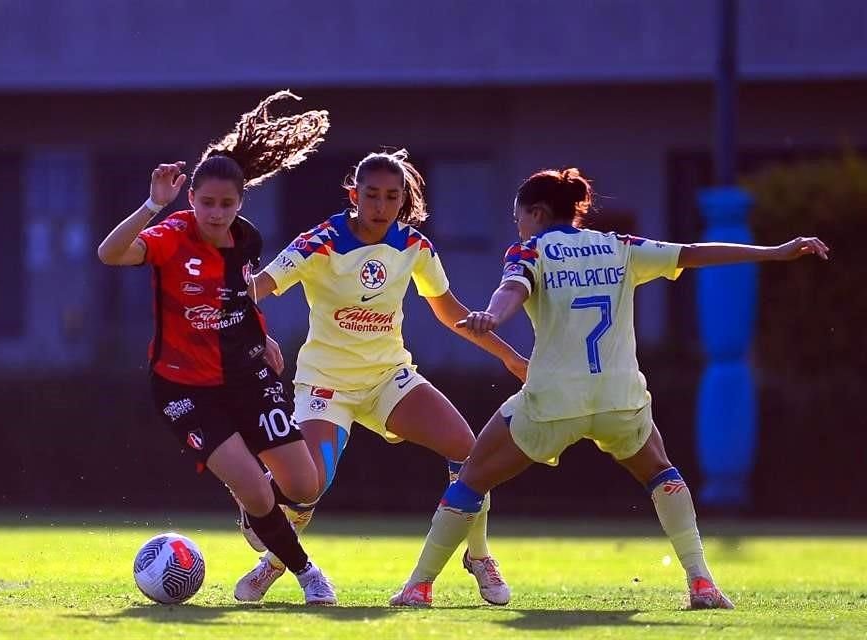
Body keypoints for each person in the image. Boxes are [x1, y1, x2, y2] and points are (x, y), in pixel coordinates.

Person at [389, 167, 830, 609]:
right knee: (661, 472)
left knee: (471, 480)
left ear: (538, 213)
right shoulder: (620, 246)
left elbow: (511, 289)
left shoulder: (529, 250)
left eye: (519, 214)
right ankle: (702, 583)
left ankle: (419, 586)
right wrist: (775, 251)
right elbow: (693, 253)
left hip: (554, 402)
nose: (517, 223)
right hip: (619, 399)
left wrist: (491, 316)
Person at [235, 149, 529, 605]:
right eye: (371, 194)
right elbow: (259, 289)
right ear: (354, 194)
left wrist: (509, 358)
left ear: (403, 199)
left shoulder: (414, 247)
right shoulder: (320, 241)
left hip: (389, 379)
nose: (380, 204)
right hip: (325, 385)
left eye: (392, 196)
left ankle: (479, 556)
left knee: (467, 451)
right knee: (310, 484)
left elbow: (450, 313)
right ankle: (275, 559)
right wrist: (237, 316)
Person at [97, 91, 338, 605]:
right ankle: (305, 573)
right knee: (254, 487)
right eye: (206, 202)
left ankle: (263, 520)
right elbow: (110, 253)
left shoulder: (246, 240)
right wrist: (151, 205)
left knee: (304, 485)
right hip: (186, 389)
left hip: (246, 374)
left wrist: (263, 335)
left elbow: (236, 297)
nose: (216, 212)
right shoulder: (170, 235)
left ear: (240, 204)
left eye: (227, 204)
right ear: (191, 201)